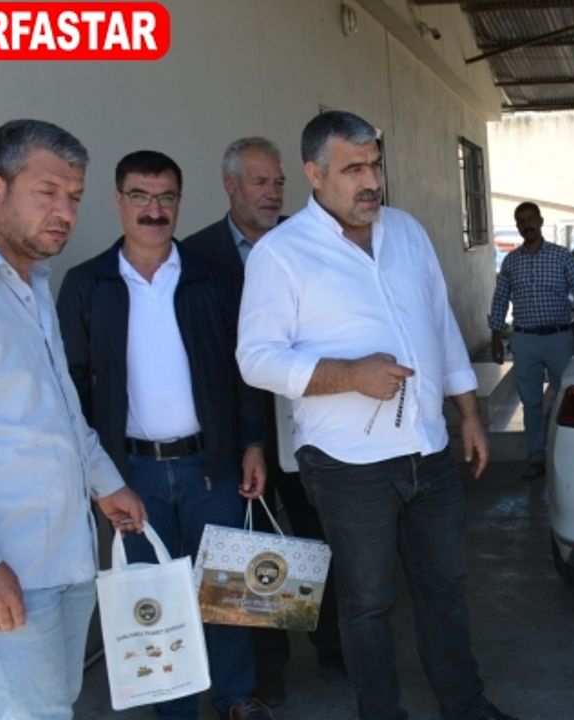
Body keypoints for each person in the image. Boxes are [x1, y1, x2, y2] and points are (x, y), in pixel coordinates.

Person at [236, 110, 517, 720]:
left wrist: (468, 412)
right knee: (367, 605)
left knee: (444, 591)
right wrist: (348, 376)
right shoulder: (282, 254)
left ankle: (465, 706)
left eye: (376, 165)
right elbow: (255, 359)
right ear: (314, 174)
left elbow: (440, 327)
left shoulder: (407, 233)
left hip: (428, 450)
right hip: (349, 466)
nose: (372, 182)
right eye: (354, 169)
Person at [0, 119, 146, 719]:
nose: (65, 212)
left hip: (63, 553)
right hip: (1, 566)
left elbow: (60, 412)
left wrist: (106, 484)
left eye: (74, 197)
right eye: (47, 192)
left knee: (56, 701)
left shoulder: (30, 286)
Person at [56, 150, 272, 720]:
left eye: (166, 197)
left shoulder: (212, 278)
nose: (154, 210)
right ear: (118, 200)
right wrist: (95, 476)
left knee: (226, 597)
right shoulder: (87, 285)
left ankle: (235, 699)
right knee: (153, 602)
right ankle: (174, 710)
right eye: (140, 196)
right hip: (133, 475)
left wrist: (253, 442)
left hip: (213, 465)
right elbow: (72, 386)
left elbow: (243, 368)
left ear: (180, 201)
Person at [184, 136, 343, 707]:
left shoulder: (310, 244)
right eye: (260, 182)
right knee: (250, 548)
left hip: (307, 422)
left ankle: (334, 645)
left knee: (320, 537)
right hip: (235, 432)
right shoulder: (196, 257)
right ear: (230, 185)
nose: (274, 193)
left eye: (279, 182)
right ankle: (264, 671)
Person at [488, 201, 574, 480]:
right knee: (531, 402)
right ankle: (537, 456)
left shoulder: (561, 256)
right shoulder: (512, 261)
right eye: (521, 221)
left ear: (540, 220)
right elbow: (500, 299)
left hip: (559, 338)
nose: (526, 224)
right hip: (525, 340)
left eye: (530, 219)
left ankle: (566, 453)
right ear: (518, 226)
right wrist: (496, 336)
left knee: (565, 398)